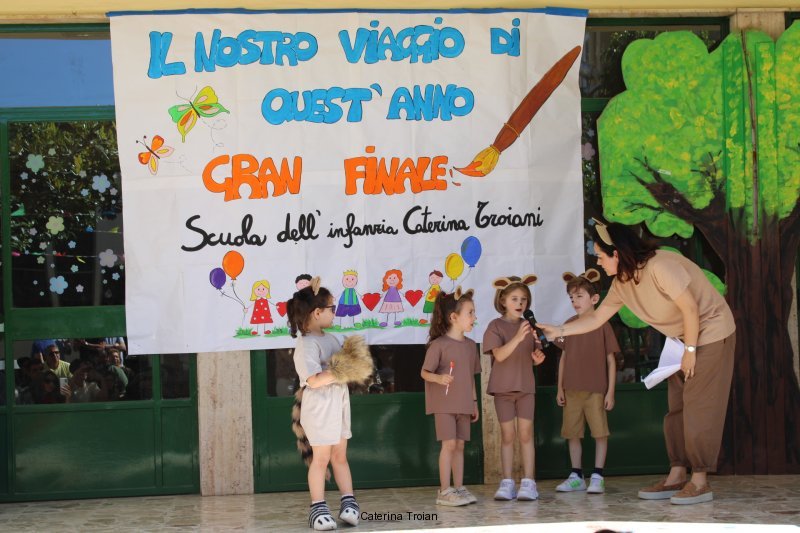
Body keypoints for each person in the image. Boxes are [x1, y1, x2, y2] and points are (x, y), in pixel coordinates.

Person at [538, 221, 736, 505]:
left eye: (600, 255)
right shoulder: (622, 284)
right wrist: (559, 330)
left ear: (617, 253)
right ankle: (677, 473)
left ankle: (700, 480)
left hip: (711, 334)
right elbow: (596, 318)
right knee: (677, 407)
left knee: (698, 406)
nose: (597, 261)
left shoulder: (661, 266)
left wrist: (691, 350)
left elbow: (690, 307)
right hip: (682, 340)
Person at [288, 277, 359, 530]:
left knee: (340, 456)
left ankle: (349, 502)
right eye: (331, 308)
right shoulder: (306, 344)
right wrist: (341, 370)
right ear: (317, 312)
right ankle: (317, 508)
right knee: (321, 458)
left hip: (338, 404)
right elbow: (313, 380)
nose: (334, 312)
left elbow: (341, 368)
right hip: (319, 407)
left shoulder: (331, 338)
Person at [553, 269, 620, 494]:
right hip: (571, 390)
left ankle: (598, 476)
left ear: (594, 299)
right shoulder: (569, 325)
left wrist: (610, 392)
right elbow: (564, 357)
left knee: (600, 433)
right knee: (572, 433)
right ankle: (576, 476)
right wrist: (559, 388)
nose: (575, 301)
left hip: (596, 391)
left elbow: (611, 360)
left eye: (579, 296)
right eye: (571, 297)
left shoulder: (603, 325)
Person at [482, 275, 546, 501]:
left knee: (526, 434)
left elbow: (535, 354)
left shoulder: (530, 326)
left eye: (524, 299)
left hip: (526, 388)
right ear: (503, 301)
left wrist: (537, 359)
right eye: (515, 299)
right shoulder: (495, 326)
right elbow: (499, 355)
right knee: (508, 436)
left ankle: (529, 482)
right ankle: (507, 482)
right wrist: (518, 337)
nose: (520, 303)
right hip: (503, 390)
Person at [420, 287, 481, 507]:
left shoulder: (471, 346)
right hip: (444, 404)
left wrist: (474, 403)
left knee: (460, 445)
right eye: (470, 313)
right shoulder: (438, 345)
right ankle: (444, 491)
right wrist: (439, 378)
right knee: (449, 445)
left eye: (474, 312)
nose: (474, 317)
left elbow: (471, 377)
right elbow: (424, 372)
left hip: (464, 404)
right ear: (454, 317)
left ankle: (459, 487)